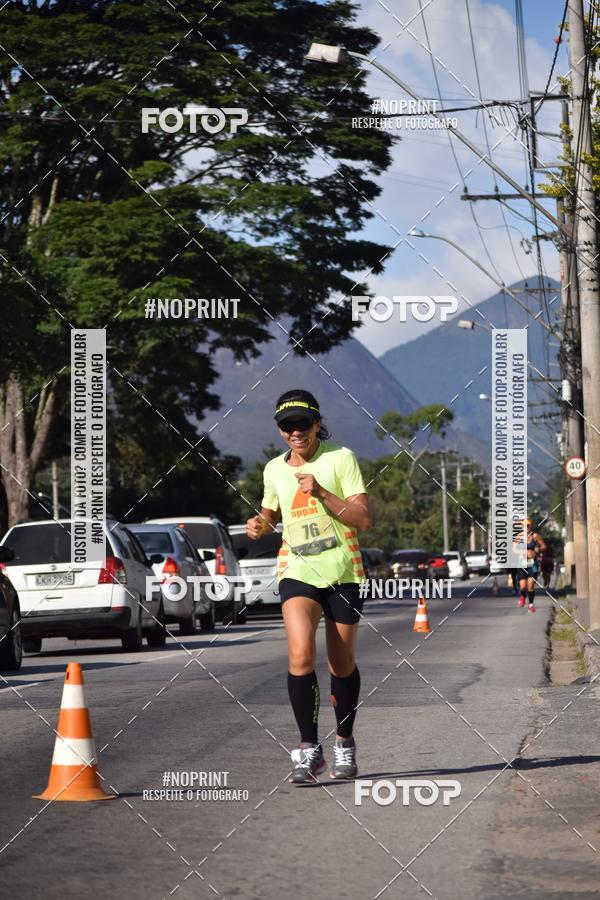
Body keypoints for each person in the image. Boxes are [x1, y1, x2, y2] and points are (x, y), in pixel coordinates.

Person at [246, 389, 371, 783]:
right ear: (280, 430)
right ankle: (309, 749)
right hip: (296, 571)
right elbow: (269, 514)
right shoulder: (273, 469)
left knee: (341, 663)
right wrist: (258, 525)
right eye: (288, 426)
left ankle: (344, 742)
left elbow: (363, 519)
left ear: (317, 424)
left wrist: (320, 491)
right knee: (300, 655)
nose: (296, 431)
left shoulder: (341, 458)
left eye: (303, 423)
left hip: (343, 573)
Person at [513, 518, 546, 612]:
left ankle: (531, 605)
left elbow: (544, 546)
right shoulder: (519, 537)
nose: (526, 527)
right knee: (523, 586)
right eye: (524, 526)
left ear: (531, 526)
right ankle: (523, 596)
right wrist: (522, 552)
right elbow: (514, 549)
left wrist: (538, 549)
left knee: (531, 586)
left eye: (528, 525)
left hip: (533, 564)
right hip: (522, 564)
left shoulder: (535, 536)